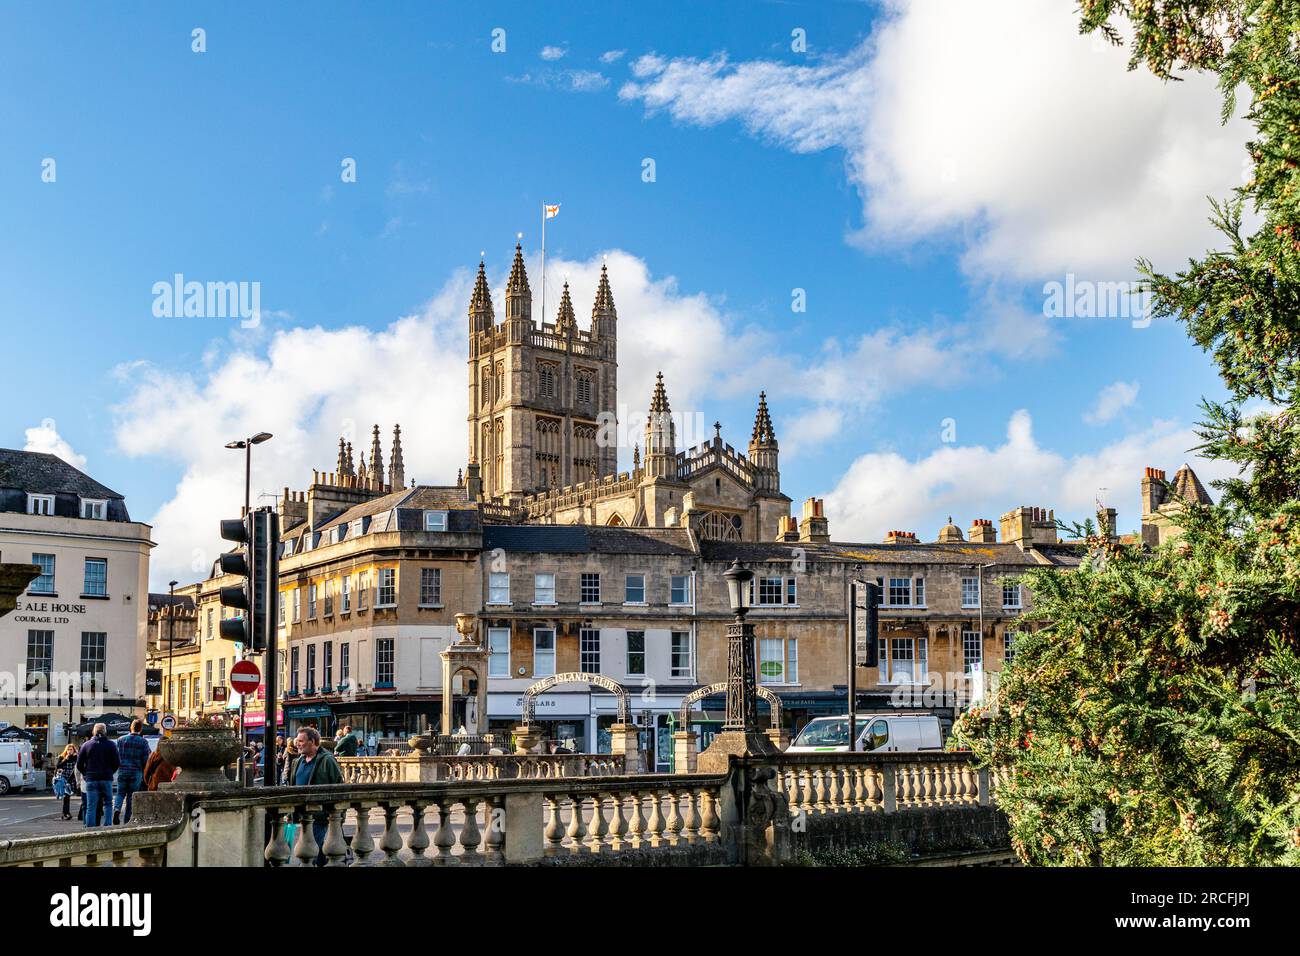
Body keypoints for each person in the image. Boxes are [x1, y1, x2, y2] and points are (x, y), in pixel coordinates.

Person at [285, 727, 344, 865]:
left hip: (320, 817)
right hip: (303, 817)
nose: (297, 744)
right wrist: (290, 812)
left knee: (310, 856)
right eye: (297, 741)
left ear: (312, 742)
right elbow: (293, 789)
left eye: (301, 741)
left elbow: (340, 789)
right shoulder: (298, 761)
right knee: (314, 855)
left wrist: (339, 817)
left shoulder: (327, 760)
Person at [75, 723, 119, 828]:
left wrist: (85, 774)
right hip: (106, 778)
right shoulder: (111, 745)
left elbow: (79, 764)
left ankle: (90, 829)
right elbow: (117, 762)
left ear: (93, 732)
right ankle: (107, 826)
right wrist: (110, 772)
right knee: (108, 803)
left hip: (91, 778)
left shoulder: (86, 745)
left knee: (91, 806)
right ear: (105, 732)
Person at [113, 719, 151, 825]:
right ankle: (127, 820)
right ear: (140, 729)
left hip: (122, 770)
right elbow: (145, 759)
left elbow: (116, 756)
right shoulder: (143, 742)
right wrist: (145, 772)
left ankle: (117, 809)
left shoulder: (121, 739)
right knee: (131, 796)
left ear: (131, 727)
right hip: (136, 771)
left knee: (120, 793)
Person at [54, 744, 78, 820]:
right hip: (64, 778)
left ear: (74, 750)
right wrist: (65, 759)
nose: (69, 751)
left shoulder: (76, 757)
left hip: (73, 778)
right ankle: (66, 813)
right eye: (68, 749)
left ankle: (67, 813)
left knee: (71, 796)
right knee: (66, 796)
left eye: (71, 749)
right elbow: (58, 766)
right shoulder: (62, 757)